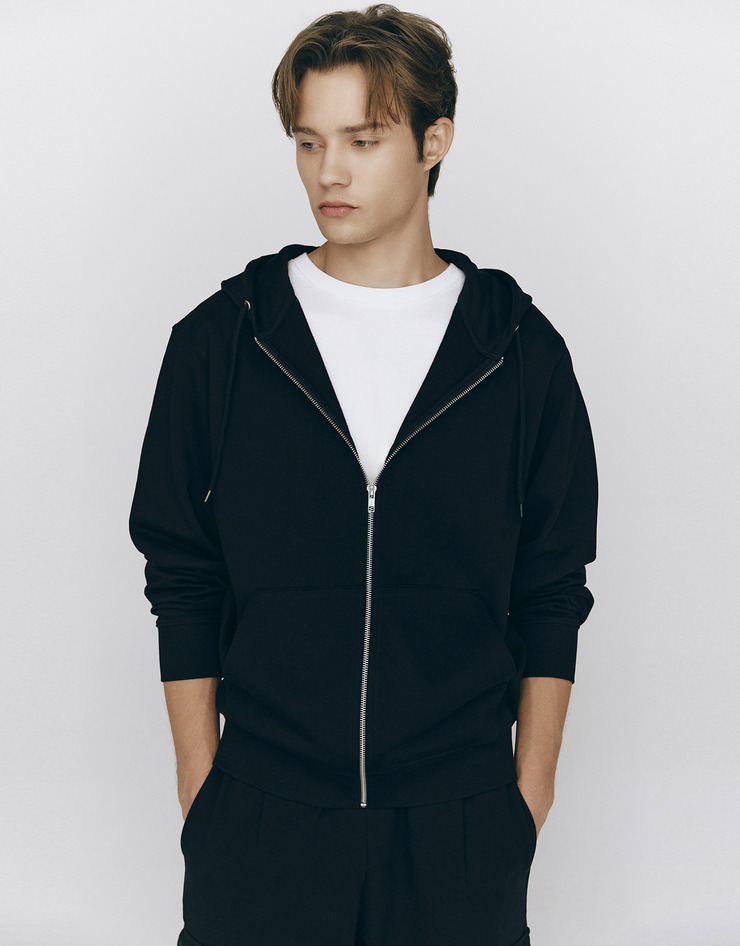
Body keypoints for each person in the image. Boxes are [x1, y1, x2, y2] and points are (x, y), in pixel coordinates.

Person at [128, 5, 598, 945]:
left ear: (434, 141)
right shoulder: (224, 343)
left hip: (460, 825)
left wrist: (528, 794)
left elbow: (551, 584)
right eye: (308, 142)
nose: (328, 173)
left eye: (362, 140)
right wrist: (202, 789)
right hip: (260, 819)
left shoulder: (518, 352)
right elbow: (181, 571)